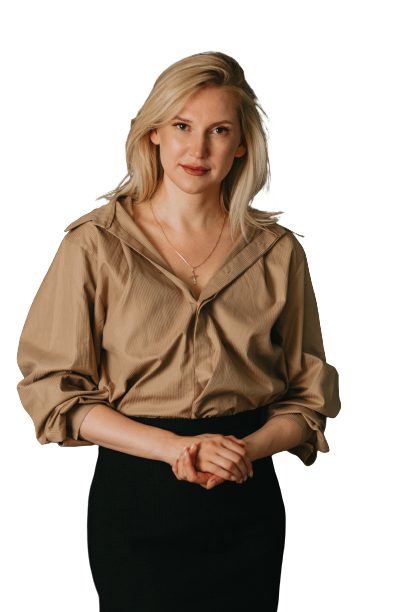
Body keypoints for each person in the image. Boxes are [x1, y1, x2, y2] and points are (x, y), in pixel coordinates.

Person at [16, 50, 341, 611]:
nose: (198, 149)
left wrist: (242, 450)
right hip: (135, 506)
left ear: (242, 144)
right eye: (183, 126)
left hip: (247, 501)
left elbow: (309, 399)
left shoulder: (279, 252)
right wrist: (177, 449)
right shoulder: (94, 244)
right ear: (154, 134)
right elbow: (52, 390)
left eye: (220, 130)